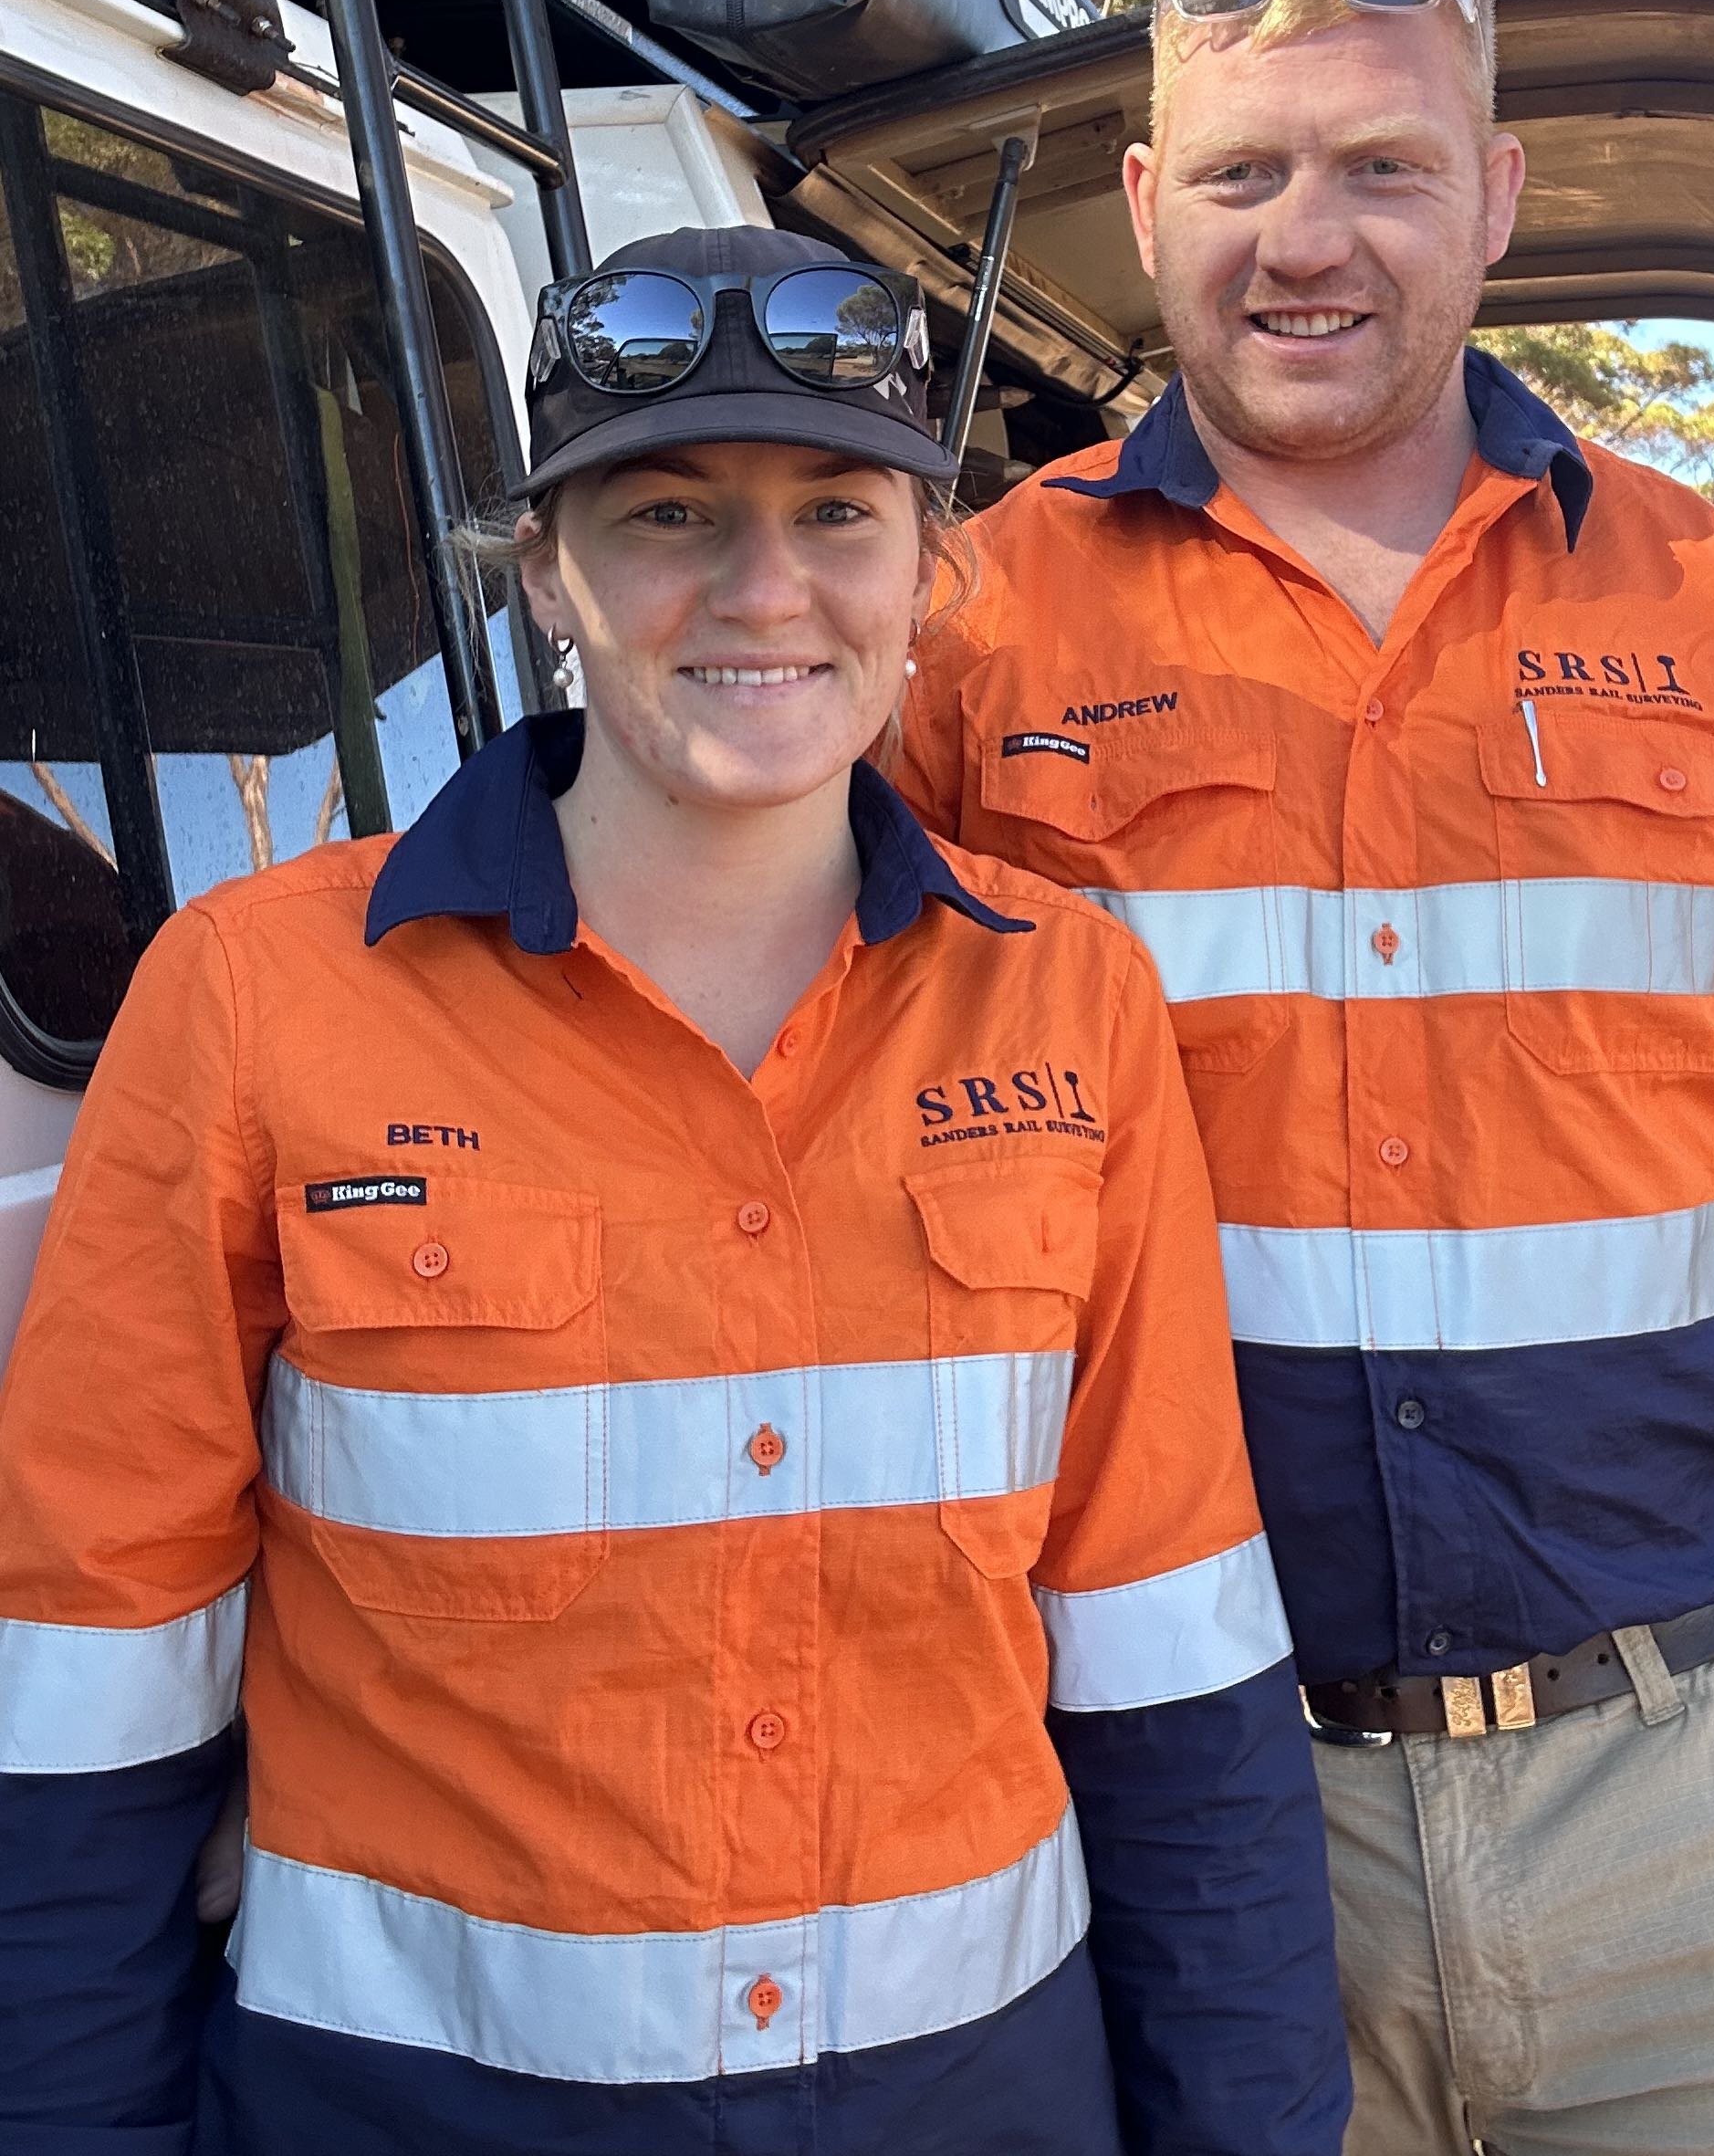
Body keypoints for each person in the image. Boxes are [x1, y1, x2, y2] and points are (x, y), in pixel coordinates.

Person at [897, 0, 1714, 2156]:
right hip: (1173, 1783)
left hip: (1705, 1802)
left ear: (1501, 194)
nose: (1306, 239)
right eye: (1245, 173)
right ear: (1154, 208)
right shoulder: (959, 630)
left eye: (1383, 166)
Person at [0, 226, 1351, 2156]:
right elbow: (85, 1678)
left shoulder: (1075, 994)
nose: (763, 586)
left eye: (836, 510)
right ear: (544, 566)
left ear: (926, 571)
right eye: (668, 513)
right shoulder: (251, 994)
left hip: (973, 2106)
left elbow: (1173, 1660)